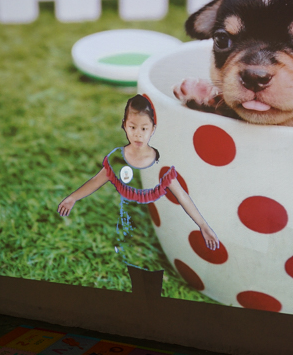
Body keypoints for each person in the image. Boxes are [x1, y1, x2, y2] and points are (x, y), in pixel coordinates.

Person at [58, 94, 219, 272]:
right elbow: (96, 181)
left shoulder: (161, 164)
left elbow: (182, 196)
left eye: (144, 128)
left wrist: (203, 225)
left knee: (152, 265)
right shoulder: (117, 159)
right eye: (132, 127)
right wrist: (73, 197)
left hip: (158, 233)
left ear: (153, 129)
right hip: (127, 229)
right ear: (124, 125)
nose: (138, 134)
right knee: (125, 265)